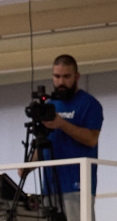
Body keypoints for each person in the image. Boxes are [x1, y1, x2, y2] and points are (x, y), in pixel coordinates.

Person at [33, 55, 103, 207]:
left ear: (76, 77)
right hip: (49, 188)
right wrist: (26, 167)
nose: (61, 82)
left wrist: (62, 124)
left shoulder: (89, 104)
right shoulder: (49, 105)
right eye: (57, 77)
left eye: (66, 77)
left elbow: (91, 139)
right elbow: (43, 140)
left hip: (77, 186)